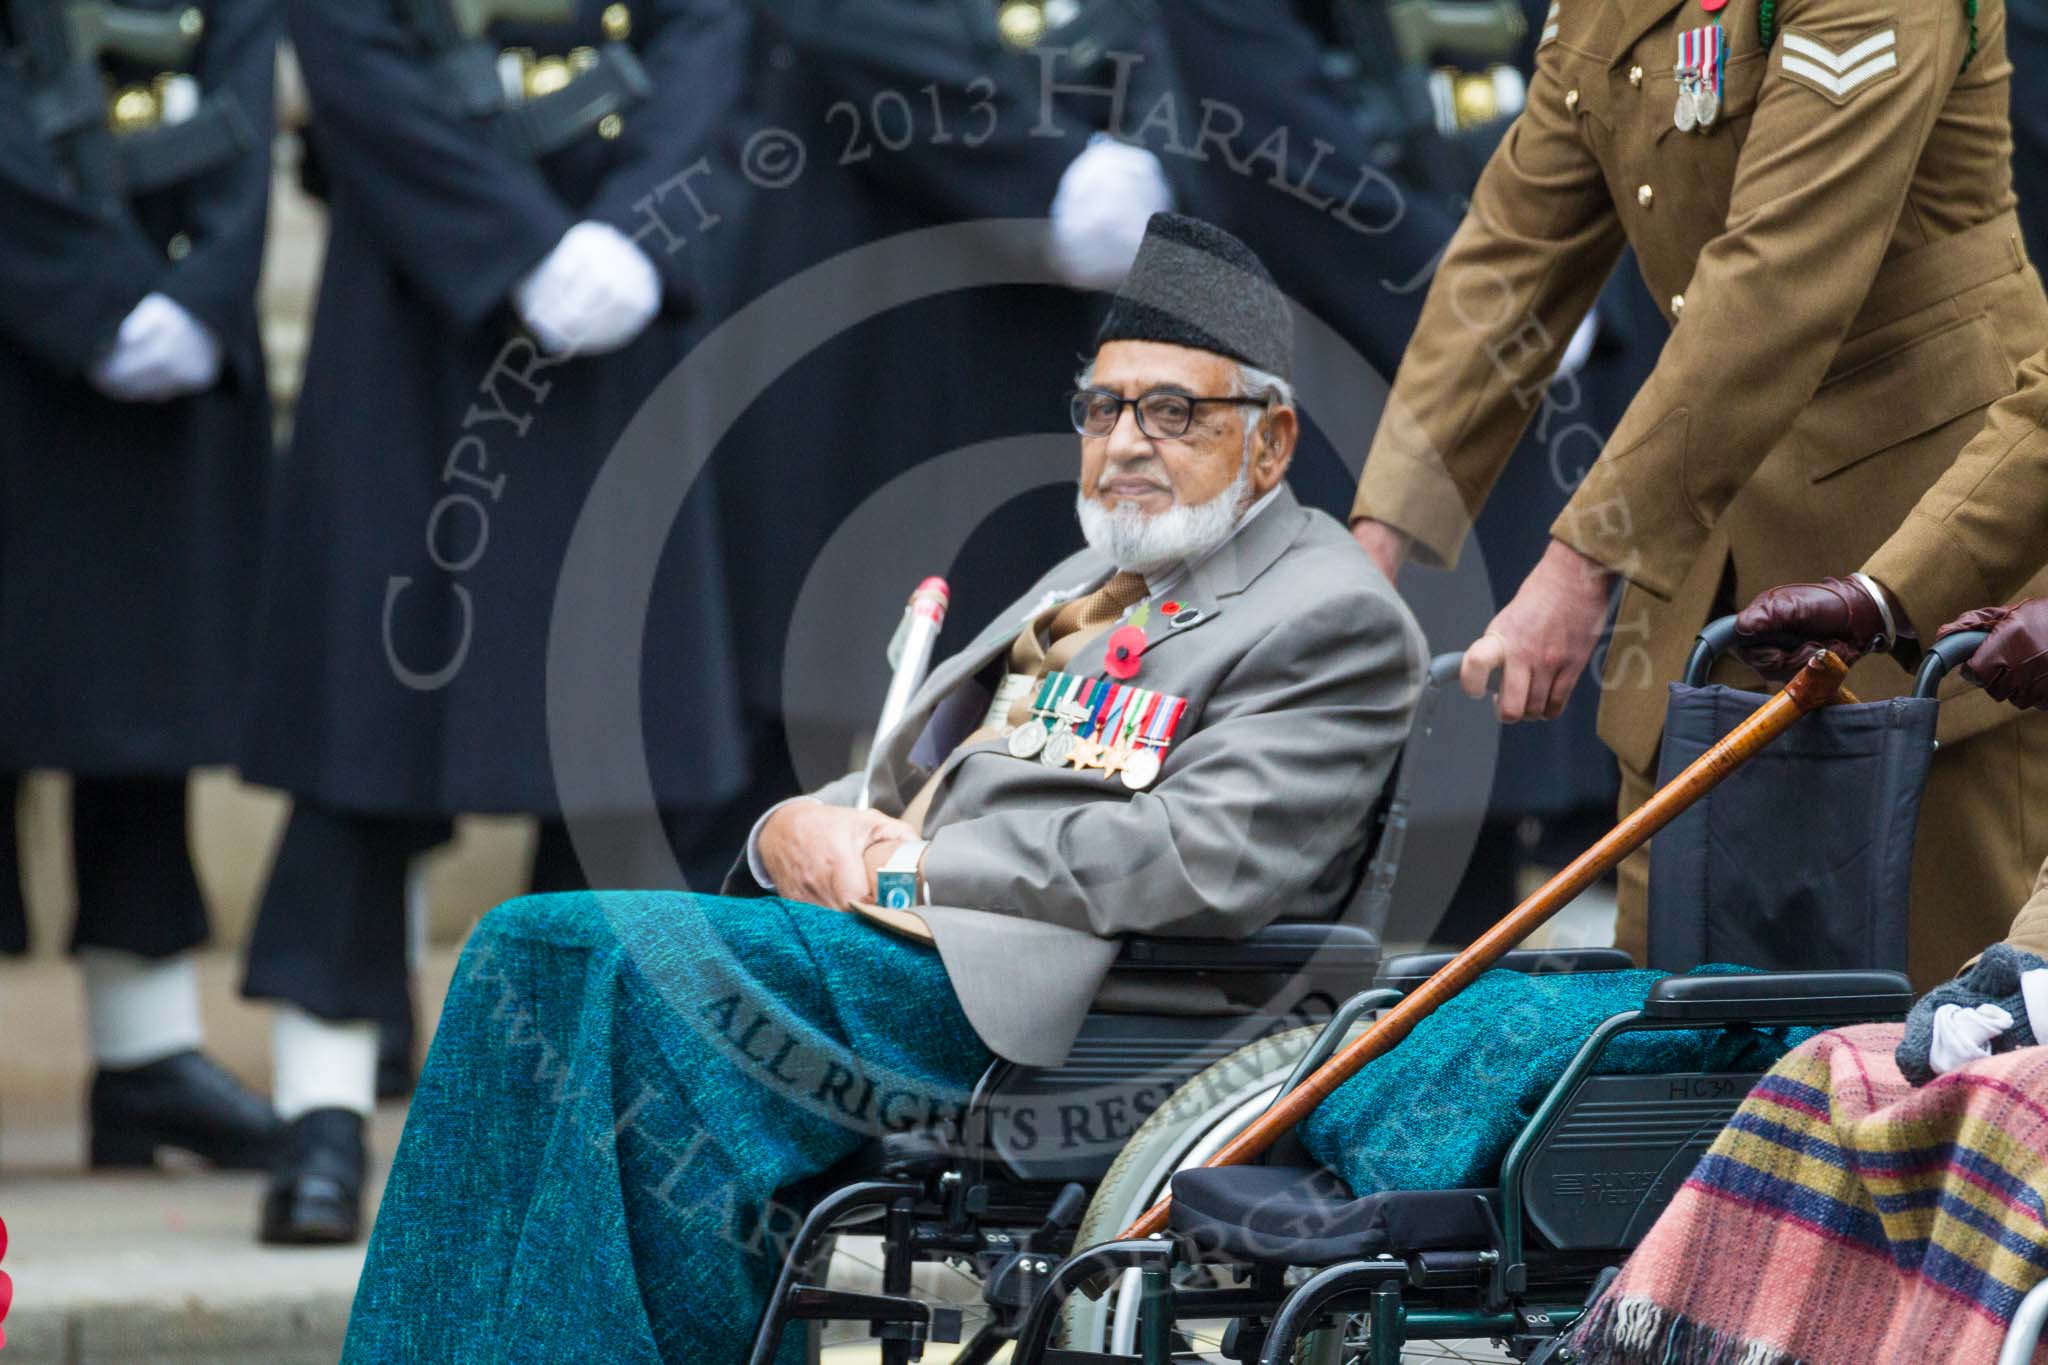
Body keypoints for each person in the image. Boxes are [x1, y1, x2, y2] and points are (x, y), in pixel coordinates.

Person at [340, 214, 1426, 1362]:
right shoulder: (1094, 575)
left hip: (1069, 1010)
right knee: (539, 958)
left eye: (1172, 412)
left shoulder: (1329, 612)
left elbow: (1198, 860)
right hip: (910, 955)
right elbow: (916, 776)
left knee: (588, 955)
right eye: (1102, 409)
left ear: (1269, 444)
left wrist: (916, 871)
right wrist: (789, 830)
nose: (1124, 443)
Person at [1346, 0, 2048, 984]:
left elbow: (1778, 277)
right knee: (1675, 1035)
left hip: (1924, 546)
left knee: (1941, 1047)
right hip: (1706, 560)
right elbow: (1512, 251)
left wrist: (1576, 567)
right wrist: (1371, 549)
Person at [237, 0, 752, 1244]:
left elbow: (706, 46)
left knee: (613, 764)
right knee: (362, 760)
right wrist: (509, 246)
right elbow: (351, 55)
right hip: (414, 317)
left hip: (625, 324)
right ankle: (321, 1116)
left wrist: (635, 236)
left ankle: (574, 1133)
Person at [0, 0, 280, 1168]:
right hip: (25, 337)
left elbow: (243, 96)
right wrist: (92, 298)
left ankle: (144, 1056)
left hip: (173, 350)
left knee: (140, 717)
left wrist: (201, 297)